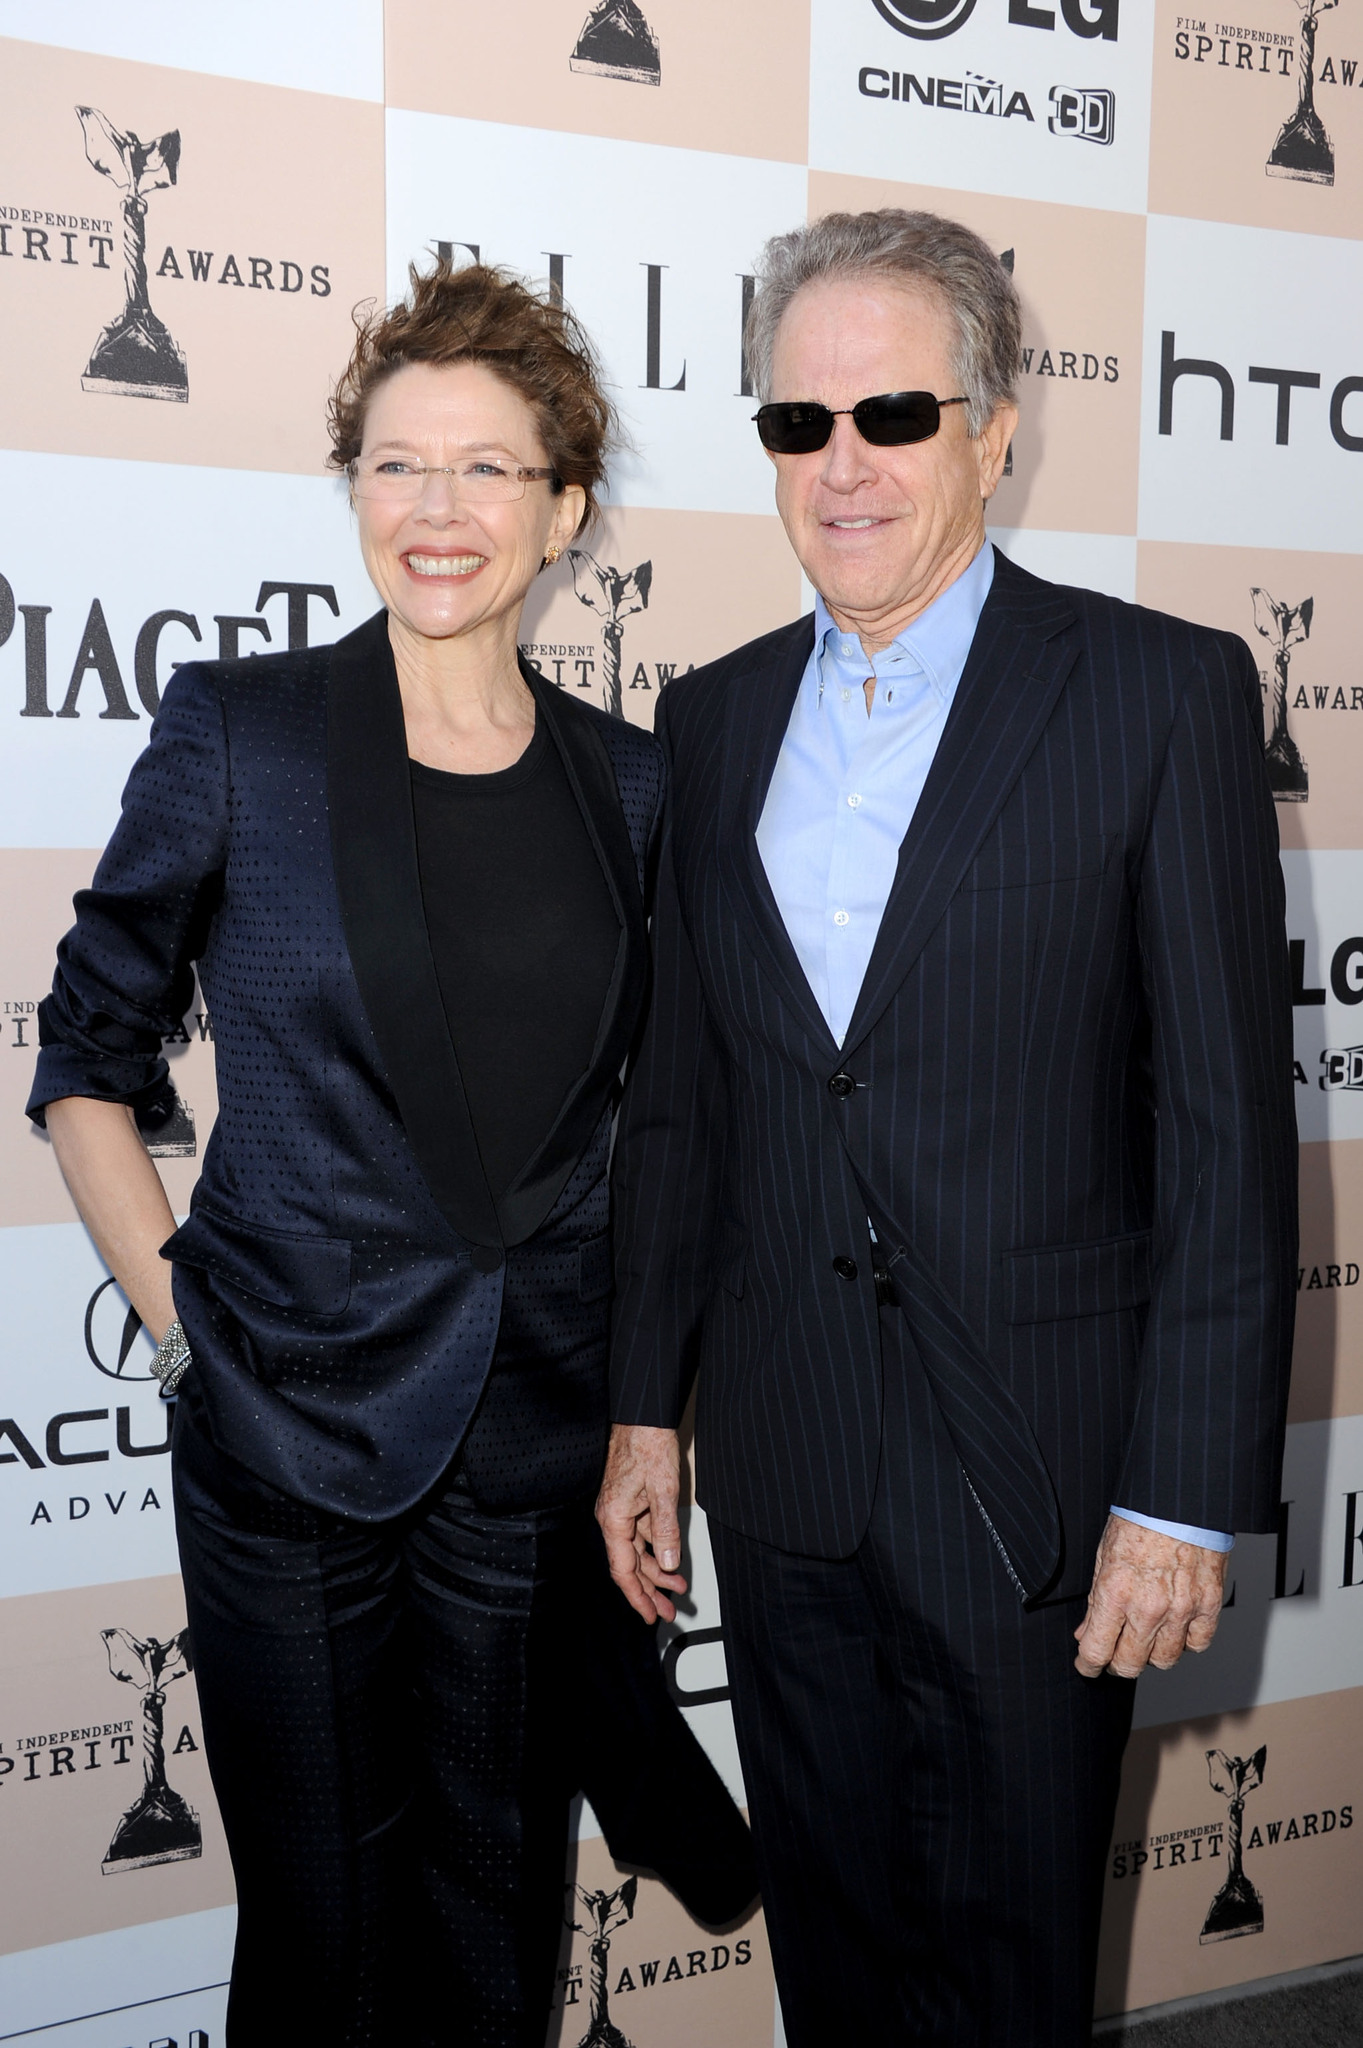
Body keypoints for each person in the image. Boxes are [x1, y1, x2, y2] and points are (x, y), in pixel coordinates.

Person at [28, 260, 753, 2048]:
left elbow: (656, 1126)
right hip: (283, 1423)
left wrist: (642, 1418)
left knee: (500, 1894)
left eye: (490, 470)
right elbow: (87, 1057)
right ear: (353, 487)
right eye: (398, 464)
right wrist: (184, 1324)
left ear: (566, 508)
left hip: (536, 1446)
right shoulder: (241, 731)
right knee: (328, 1912)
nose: (440, 512)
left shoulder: (632, 785)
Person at [596, 210, 1297, 2046]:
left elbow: (1228, 1132)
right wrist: (642, 1413)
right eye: (794, 424)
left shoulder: (1158, 692)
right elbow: (686, 1111)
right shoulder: (715, 718)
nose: (843, 465)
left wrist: (1181, 1493)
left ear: (994, 429)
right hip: (791, 1460)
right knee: (830, 1955)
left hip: (1043, 1483)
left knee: (1004, 1974)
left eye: (895, 413)